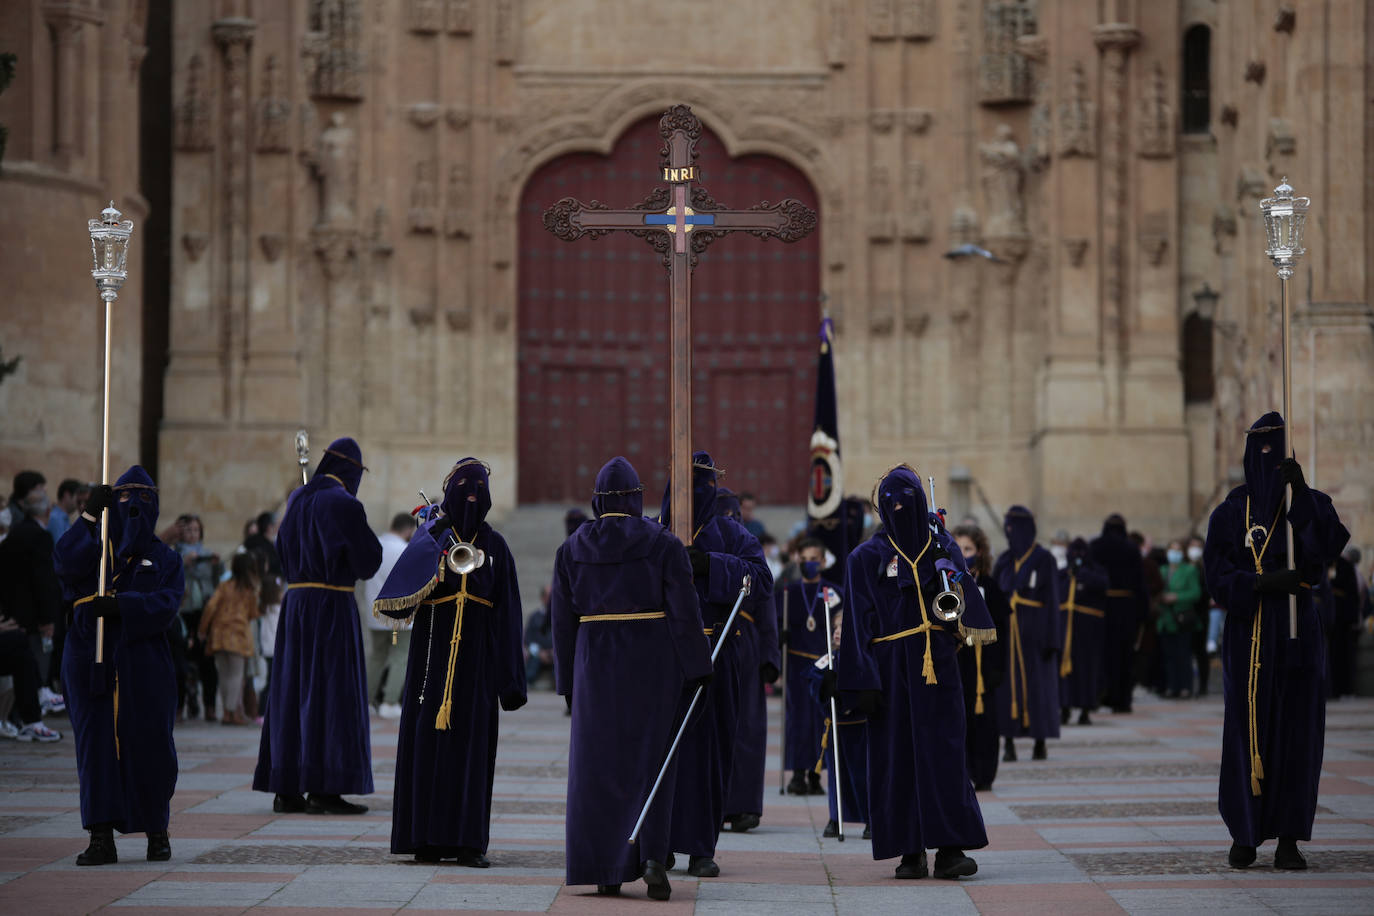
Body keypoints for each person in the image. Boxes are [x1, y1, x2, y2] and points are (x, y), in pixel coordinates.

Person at [551, 456, 710, 900]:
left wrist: (567, 683)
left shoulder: (571, 548)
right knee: (652, 761)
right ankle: (653, 856)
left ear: (597, 501)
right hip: (652, 660)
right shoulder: (663, 544)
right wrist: (698, 669)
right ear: (638, 498)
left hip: (594, 664)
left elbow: (562, 621)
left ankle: (604, 867)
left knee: (597, 766)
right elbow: (684, 611)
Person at [1205, 412, 1349, 870]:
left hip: (1297, 630)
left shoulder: (1309, 501)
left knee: (1297, 731)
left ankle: (1289, 835)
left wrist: (1302, 494)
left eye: (1275, 449)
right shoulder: (1230, 512)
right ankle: (1245, 833)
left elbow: (1328, 546)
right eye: (1259, 450)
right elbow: (1217, 576)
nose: (1266, 460)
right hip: (1249, 633)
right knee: (1249, 729)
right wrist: (1263, 584)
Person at [839, 465, 996, 880]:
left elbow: (968, 607)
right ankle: (908, 851)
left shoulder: (942, 547)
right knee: (896, 760)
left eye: (907, 501)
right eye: (891, 503)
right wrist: (862, 681)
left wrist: (952, 586)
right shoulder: (864, 558)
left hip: (937, 668)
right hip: (889, 672)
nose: (899, 509)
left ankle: (950, 848)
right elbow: (856, 624)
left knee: (943, 755)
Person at [373, 457, 527, 866]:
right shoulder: (432, 537)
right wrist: (431, 541)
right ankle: (424, 839)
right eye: (464, 487)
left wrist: (509, 680)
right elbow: (395, 599)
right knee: (427, 747)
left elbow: (510, 614)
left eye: (479, 487)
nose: (471, 494)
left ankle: (467, 842)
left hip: (476, 665)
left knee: (470, 754)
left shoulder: (496, 547)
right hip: (430, 661)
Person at [54, 467, 182, 865]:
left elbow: (167, 604)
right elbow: (62, 564)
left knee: (151, 746)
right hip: (91, 658)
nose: (133, 511)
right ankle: (100, 836)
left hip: (143, 663)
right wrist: (89, 517)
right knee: (96, 749)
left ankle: (156, 831)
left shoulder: (165, 558)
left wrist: (124, 606)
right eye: (125, 500)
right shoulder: (94, 548)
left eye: (143, 502)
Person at [253, 437, 382, 816]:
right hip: (331, 604)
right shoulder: (344, 504)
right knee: (333, 693)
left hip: (296, 604)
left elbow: (280, 551)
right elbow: (368, 561)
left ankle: (287, 788)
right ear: (351, 472)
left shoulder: (297, 499)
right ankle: (327, 787)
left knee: (291, 692)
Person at [662, 451, 771, 878]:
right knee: (665, 754)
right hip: (666, 659)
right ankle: (661, 841)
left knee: (711, 752)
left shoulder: (733, 534)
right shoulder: (655, 534)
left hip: (718, 654)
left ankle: (701, 846)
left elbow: (762, 581)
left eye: (703, 486)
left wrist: (712, 565)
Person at [717, 486, 779, 833]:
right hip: (713, 641)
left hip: (748, 647)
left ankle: (743, 806)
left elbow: (767, 607)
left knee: (748, 730)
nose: (729, 522)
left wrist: (770, 657)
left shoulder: (751, 552)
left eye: (733, 515)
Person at [993, 505, 1062, 761]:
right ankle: (1008, 742)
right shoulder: (1004, 560)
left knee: (1038, 690)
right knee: (1007, 691)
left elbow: (1053, 601)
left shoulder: (1044, 559)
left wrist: (1052, 638)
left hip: (1036, 639)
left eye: (1012, 527)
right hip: (1008, 638)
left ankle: (1040, 741)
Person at [953, 524, 1010, 791]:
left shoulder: (990, 585)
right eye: (959, 548)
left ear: (980, 552)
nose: (964, 554)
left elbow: (1003, 628)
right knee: (958, 718)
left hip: (984, 664)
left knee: (985, 721)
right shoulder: (946, 584)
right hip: (958, 661)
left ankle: (984, 773)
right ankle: (961, 770)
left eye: (969, 549)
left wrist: (998, 666)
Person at [0, 471, 62, 711]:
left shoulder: (16, 533)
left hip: (15, 610)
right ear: (47, 512)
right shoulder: (40, 536)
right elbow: (43, 580)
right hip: (34, 613)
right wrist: (47, 618)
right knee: (34, 662)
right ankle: (32, 713)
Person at [777, 537, 832, 797]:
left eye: (815, 559)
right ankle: (798, 773)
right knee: (798, 719)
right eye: (805, 559)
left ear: (823, 561)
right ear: (798, 559)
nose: (810, 563)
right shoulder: (789, 591)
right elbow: (777, 621)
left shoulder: (832, 592)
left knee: (821, 720)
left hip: (822, 664)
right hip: (797, 663)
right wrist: (781, 636)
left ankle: (816, 773)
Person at [811, 608, 869, 839]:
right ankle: (836, 817)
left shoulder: (861, 658)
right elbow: (812, 678)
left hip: (860, 726)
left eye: (842, 628)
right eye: (835, 628)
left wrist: (849, 696)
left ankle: (870, 818)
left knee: (862, 776)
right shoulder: (829, 659)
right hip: (835, 727)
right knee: (837, 776)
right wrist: (825, 685)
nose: (836, 632)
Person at [360, 512, 417, 718]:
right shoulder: (404, 550)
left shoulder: (375, 545)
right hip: (399, 612)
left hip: (375, 612)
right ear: (408, 530)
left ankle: (365, 700)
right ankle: (390, 702)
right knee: (400, 656)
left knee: (377, 656)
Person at [1090, 515, 1147, 713]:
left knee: (1100, 654)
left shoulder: (1095, 546)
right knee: (1124, 656)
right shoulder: (1132, 549)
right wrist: (1143, 613)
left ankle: (1097, 696)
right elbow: (1140, 583)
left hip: (1100, 608)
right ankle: (1121, 700)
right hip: (1126, 609)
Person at [198, 552, 262, 725]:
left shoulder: (224, 585)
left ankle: (227, 712)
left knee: (224, 675)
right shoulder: (249, 590)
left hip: (219, 634)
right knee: (235, 676)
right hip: (238, 635)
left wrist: (203, 629)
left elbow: (211, 606)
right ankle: (230, 713)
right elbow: (255, 613)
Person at [170, 514, 221, 720]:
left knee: (208, 660)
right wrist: (184, 563)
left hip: (204, 611)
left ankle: (210, 706)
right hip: (182, 613)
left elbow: (218, 582)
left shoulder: (207, 555)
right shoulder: (173, 555)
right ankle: (178, 707)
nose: (192, 535)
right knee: (179, 663)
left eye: (196, 530)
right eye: (189, 530)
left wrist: (216, 565)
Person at [1058, 537, 1110, 725]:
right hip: (1065, 633)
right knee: (1064, 671)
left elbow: (1103, 585)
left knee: (1087, 670)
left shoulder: (1096, 572)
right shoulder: (1062, 574)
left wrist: (1083, 575)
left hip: (1088, 633)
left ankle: (1085, 709)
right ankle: (1064, 708)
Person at [1155, 539, 1202, 699]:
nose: (1174, 554)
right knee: (1168, 656)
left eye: (1178, 550)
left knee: (1183, 654)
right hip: (1165, 619)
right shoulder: (1162, 570)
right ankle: (1171, 686)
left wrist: (1177, 597)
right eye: (1171, 550)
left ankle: (1185, 687)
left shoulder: (1189, 570)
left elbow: (1195, 593)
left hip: (1182, 618)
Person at [523, 586, 555, 689]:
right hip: (538, 654)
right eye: (548, 596)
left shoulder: (558, 617)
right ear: (543, 598)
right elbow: (528, 640)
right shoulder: (534, 617)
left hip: (554, 654)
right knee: (531, 668)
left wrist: (554, 651)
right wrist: (540, 652)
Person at [46, 478, 86, 542]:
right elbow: (60, 547)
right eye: (78, 498)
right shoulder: (56, 518)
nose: (80, 503)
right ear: (67, 495)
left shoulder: (63, 518)